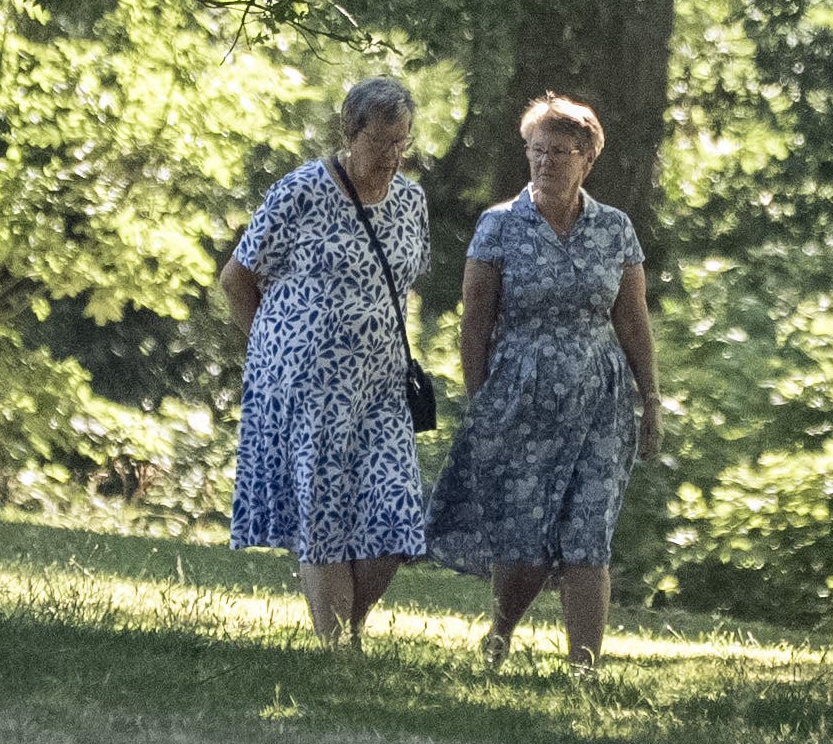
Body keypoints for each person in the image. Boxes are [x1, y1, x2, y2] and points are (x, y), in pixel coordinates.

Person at [429, 92, 659, 672]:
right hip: (520, 395)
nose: (546, 162)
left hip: (599, 400)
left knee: (589, 534)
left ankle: (585, 668)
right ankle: (501, 635)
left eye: (560, 152)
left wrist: (650, 397)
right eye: (537, 151)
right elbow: (475, 321)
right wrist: (479, 400)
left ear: (587, 159)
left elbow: (632, 318)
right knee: (525, 534)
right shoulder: (499, 225)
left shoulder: (615, 229)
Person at [221, 75, 433, 643]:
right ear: (349, 132)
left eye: (401, 143)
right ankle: (336, 649)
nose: (392, 155)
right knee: (325, 520)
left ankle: (343, 631)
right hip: (307, 390)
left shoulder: (412, 202)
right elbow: (237, 278)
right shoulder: (301, 191)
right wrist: (273, 349)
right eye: (381, 141)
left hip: (383, 389)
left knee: (395, 522)